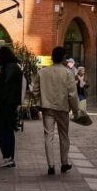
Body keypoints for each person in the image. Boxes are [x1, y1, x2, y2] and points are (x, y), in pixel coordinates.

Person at [35, 45, 80, 175]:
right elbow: (72, 94)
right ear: (64, 58)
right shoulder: (68, 73)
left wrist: (39, 101)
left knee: (48, 135)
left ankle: (51, 165)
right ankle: (64, 162)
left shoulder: (42, 72)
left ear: (52, 58)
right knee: (64, 135)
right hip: (62, 107)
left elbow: (35, 89)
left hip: (47, 107)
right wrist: (76, 110)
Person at [0, 46, 23, 169]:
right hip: (10, 104)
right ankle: (8, 157)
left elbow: (4, 88)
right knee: (6, 130)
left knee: (0, 129)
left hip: (5, 105)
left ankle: (8, 157)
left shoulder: (9, 68)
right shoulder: (13, 67)